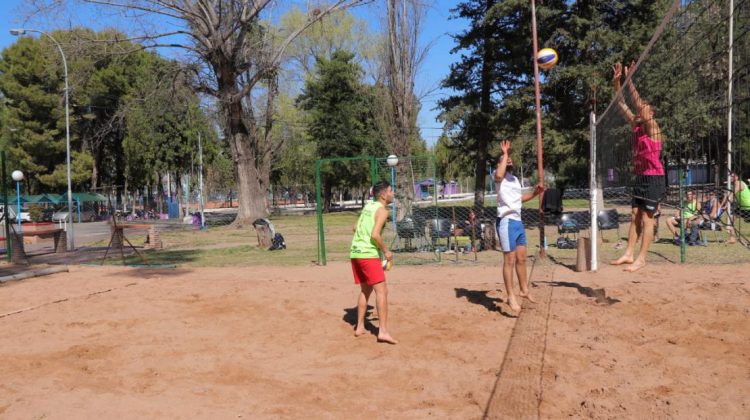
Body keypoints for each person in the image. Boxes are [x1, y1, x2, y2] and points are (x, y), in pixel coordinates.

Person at [610, 61, 666, 272]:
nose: (640, 111)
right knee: (634, 215)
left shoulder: (654, 129)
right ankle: (628, 253)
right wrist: (617, 83)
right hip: (641, 176)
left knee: (646, 217)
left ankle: (641, 259)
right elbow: (621, 103)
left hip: (653, 178)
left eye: (644, 109)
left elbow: (636, 103)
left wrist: (629, 80)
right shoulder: (637, 127)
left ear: (650, 114)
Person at [495, 140, 544, 312]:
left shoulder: (514, 179)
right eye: (505, 159)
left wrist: (534, 193)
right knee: (509, 260)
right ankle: (510, 296)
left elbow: (519, 199)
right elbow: (499, 174)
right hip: (506, 222)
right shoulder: (498, 177)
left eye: (510, 159)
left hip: (517, 221)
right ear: (500, 162)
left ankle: (524, 290)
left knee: (522, 258)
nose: (509, 161)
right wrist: (505, 153)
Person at [350, 180, 397, 344]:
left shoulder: (368, 206)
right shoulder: (382, 211)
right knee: (382, 292)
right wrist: (386, 251)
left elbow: (355, 227)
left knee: (366, 290)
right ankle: (383, 332)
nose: (393, 193)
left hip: (355, 252)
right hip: (367, 255)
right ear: (384, 195)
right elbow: (375, 235)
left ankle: (360, 327)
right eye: (391, 191)